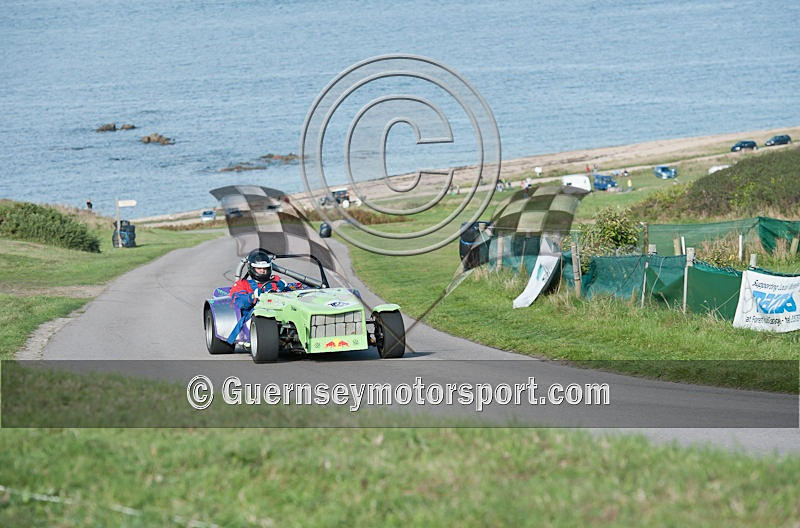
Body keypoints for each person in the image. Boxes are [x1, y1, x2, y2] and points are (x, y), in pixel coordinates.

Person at [226, 248, 302, 343]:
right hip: (254, 316)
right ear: (252, 269)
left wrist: (286, 289)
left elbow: (291, 297)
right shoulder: (242, 284)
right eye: (259, 269)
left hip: (280, 312)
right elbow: (239, 302)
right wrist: (253, 296)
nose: (262, 271)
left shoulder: (275, 281)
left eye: (265, 268)